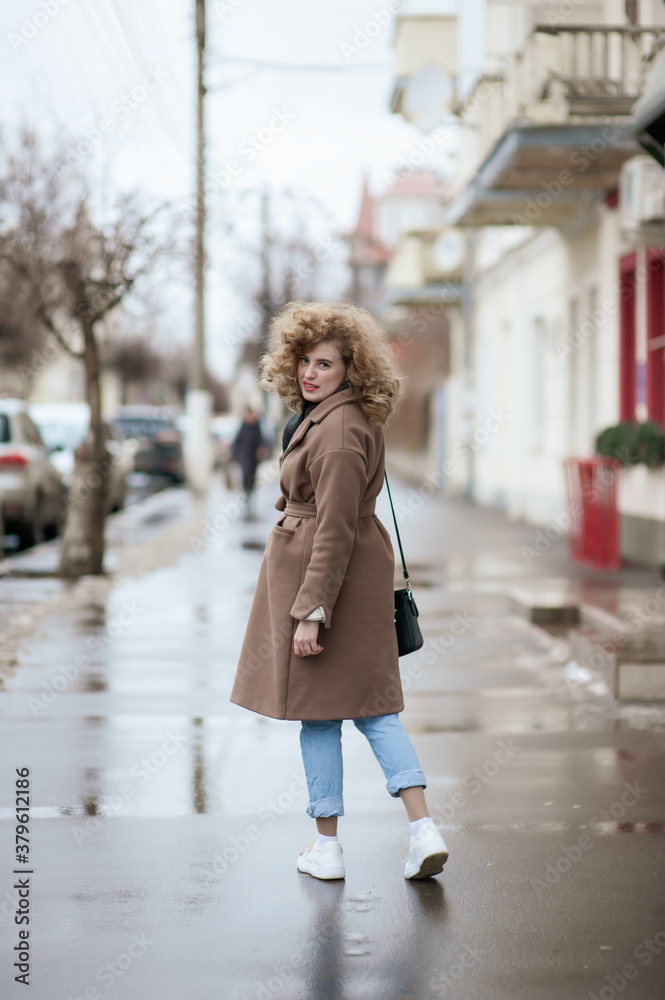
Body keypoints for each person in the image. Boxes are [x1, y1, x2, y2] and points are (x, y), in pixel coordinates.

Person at [230, 301, 448, 881]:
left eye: (325, 363)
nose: (310, 373)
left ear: (351, 369)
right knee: (369, 708)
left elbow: (333, 527)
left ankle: (355, 843)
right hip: (346, 573)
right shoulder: (332, 417)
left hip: (330, 580)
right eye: (304, 360)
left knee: (332, 716)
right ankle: (415, 831)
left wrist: (312, 611)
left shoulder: (340, 430)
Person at [231, 407, 267, 519]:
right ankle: (246, 497)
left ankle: (250, 496)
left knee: (252, 478)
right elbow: (237, 442)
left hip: (253, 458)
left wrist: (261, 450)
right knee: (244, 477)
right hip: (243, 457)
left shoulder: (256, 427)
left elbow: (261, 441)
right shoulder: (243, 427)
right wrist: (235, 455)